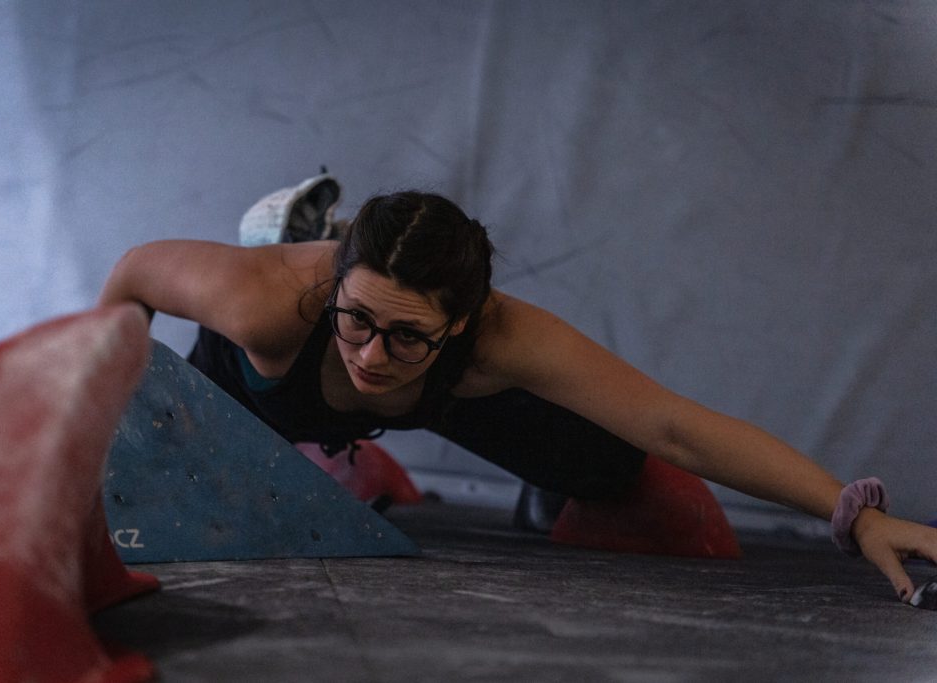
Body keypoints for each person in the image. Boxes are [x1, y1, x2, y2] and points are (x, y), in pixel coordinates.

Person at [99, 190, 937, 603]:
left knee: (611, 460)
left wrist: (855, 514)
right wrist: (97, 404)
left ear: (460, 324)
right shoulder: (264, 303)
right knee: (167, 476)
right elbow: (135, 270)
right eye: (356, 321)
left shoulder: (500, 337)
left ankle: (366, 448)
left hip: (438, 389)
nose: (370, 355)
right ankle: (297, 250)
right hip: (256, 394)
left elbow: (675, 425)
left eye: (407, 336)